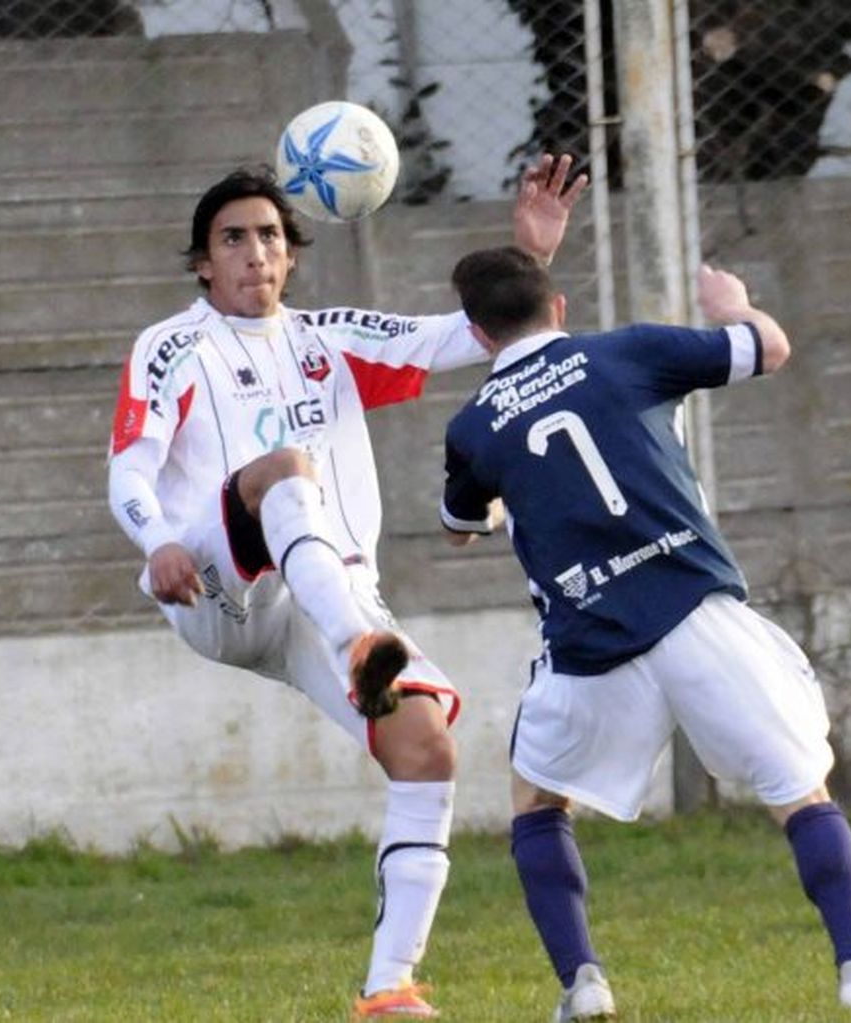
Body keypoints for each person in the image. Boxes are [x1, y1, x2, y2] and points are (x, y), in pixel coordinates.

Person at [107, 158, 587, 1018]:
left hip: (315, 601)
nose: (255, 251)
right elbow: (129, 467)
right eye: (233, 239)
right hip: (214, 582)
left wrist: (532, 254)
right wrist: (158, 544)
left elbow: (476, 334)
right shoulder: (173, 346)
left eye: (269, 236)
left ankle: (388, 988)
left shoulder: (328, 340)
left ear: (291, 255)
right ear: (203, 263)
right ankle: (358, 641)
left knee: (426, 745)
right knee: (286, 471)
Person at [439, 246, 851, 1019]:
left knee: (537, 800)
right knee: (799, 793)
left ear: (478, 334)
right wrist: (733, 305)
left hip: (591, 646)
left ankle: (584, 981)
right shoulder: (629, 350)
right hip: (699, 617)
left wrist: (507, 494)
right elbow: (771, 347)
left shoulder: (472, 427)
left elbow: (462, 524)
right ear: (558, 308)